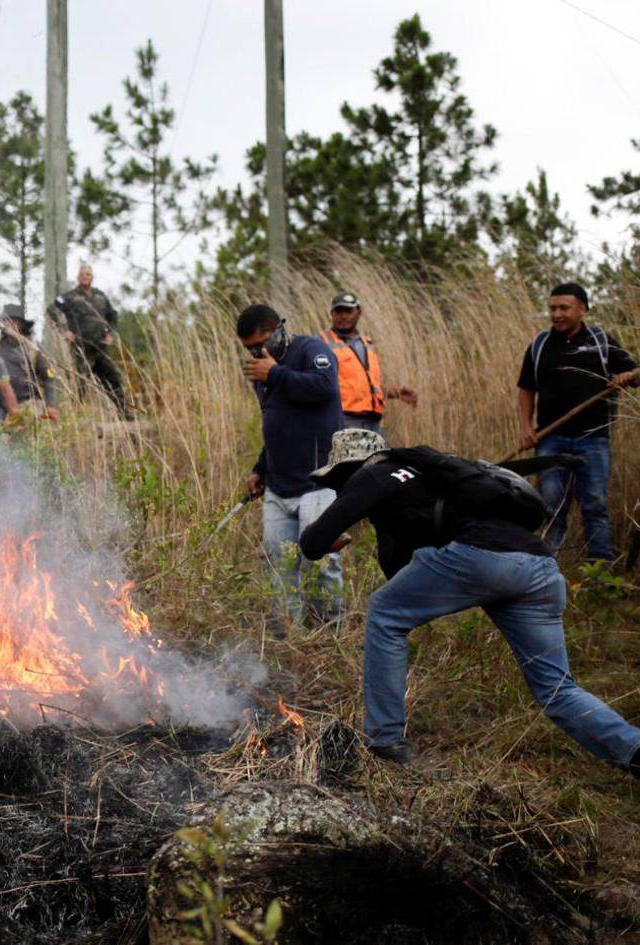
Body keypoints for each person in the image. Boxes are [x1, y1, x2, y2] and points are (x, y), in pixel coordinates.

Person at [300, 428, 640, 774]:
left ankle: (385, 740)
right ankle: (634, 750)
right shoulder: (424, 476)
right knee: (557, 690)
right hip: (538, 567)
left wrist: (330, 540)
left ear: (347, 468)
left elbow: (312, 543)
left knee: (384, 614)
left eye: (337, 482)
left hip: (482, 558)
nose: (339, 490)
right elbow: (402, 573)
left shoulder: (373, 472)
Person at [237, 303, 344, 633]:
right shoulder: (262, 374)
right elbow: (276, 424)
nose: (257, 352)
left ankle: (330, 634)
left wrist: (275, 374)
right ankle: (289, 637)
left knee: (320, 562)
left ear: (279, 330)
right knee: (278, 564)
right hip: (279, 488)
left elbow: (323, 387)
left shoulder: (312, 350)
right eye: (250, 349)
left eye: (261, 343)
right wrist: (260, 469)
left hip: (318, 482)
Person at [517, 281, 640, 560]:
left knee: (594, 504)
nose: (557, 314)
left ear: (582, 309)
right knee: (550, 504)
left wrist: (626, 376)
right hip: (550, 438)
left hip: (593, 440)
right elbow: (526, 390)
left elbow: (635, 374)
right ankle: (545, 566)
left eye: (564, 308)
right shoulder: (539, 345)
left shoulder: (601, 341)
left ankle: (600, 570)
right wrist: (526, 428)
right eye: (552, 308)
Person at [319, 291, 417, 431]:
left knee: (379, 454)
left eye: (349, 311)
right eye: (339, 311)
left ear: (359, 312)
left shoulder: (367, 344)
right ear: (332, 314)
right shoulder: (322, 342)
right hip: (343, 420)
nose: (344, 316)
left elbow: (366, 386)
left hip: (372, 423)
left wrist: (397, 393)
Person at [51, 264, 130, 419]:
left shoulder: (101, 296)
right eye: (83, 274)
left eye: (88, 274)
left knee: (113, 378)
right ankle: (75, 416)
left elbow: (112, 315)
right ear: (78, 277)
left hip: (100, 347)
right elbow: (52, 309)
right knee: (80, 382)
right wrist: (64, 330)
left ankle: (123, 412)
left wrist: (110, 334)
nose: (85, 277)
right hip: (81, 347)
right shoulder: (69, 297)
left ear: (92, 277)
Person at [0, 304, 59, 421]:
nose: (10, 324)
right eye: (7, 321)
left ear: (22, 324)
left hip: (28, 402)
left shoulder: (33, 348)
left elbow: (49, 378)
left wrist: (50, 405)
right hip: (0, 405)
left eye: (14, 321)